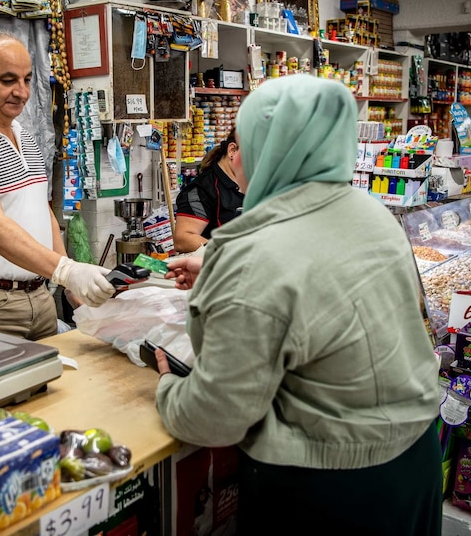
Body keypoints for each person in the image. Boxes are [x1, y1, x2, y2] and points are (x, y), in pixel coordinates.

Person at [156, 75, 442, 535]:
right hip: (416, 460)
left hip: (330, 485)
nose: (235, 154)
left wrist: (169, 390)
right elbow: (317, 280)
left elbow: (218, 417)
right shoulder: (373, 213)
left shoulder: (251, 252)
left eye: (244, 141)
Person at [0, 31, 115, 344]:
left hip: (39, 296)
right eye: (8, 80)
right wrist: (67, 271)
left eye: (27, 79)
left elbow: (42, 211)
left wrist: (67, 281)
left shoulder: (21, 134)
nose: (21, 92)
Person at [173, 127, 244, 253]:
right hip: (218, 266)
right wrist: (228, 253)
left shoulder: (251, 184)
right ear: (232, 151)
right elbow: (183, 239)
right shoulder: (202, 189)